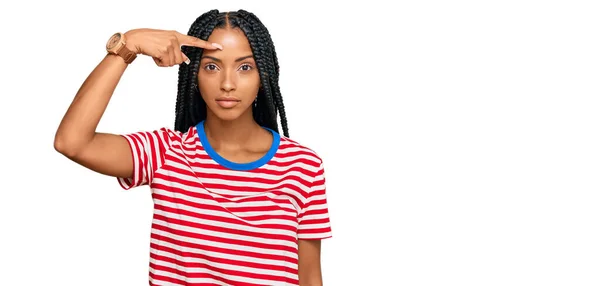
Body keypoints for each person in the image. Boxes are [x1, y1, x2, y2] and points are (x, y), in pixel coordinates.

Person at [54, 9, 332, 286]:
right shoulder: (165, 153)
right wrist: (129, 45)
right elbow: (72, 142)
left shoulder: (302, 166)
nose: (227, 84)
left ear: (264, 75)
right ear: (194, 75)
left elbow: (309, 278)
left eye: (244, 67)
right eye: (212, 66)